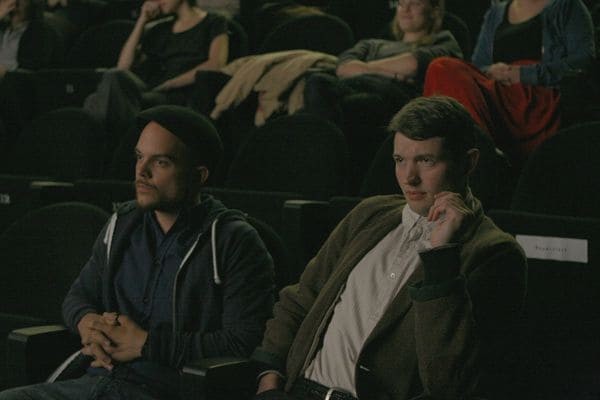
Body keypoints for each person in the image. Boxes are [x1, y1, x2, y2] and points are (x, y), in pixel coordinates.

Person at [251, 96, 527, 400]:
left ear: (468, 162)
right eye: (399, 160)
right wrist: (269, 377)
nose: (409, 178)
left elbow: (451, 382)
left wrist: (441, 257)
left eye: (426, 160)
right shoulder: (370, 214)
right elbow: (301, 298)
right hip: (297, 390)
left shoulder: (494, 252)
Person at [0, 105, 274, 400]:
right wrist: (88, 324)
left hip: (167, 391)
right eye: (140, 157)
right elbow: (78, 297)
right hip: (97, 380)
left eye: (161, 162)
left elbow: (242, 343)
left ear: (199, 175)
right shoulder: (122, 223)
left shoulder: (234, 241)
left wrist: (146, 344)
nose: (141, 172)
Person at [423, 0, 595, 168]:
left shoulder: (567, 6)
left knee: (442, 68)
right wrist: (491, 70)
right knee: (441, 70)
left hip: (534, 95)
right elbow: (478, 65)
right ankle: (475, 152)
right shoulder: (496, 12)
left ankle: (479, 156)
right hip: (496, 92)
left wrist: (522, 73)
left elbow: (582, 62)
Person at [302, 0, 463, 125]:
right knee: (317, 81)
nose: (405, 9)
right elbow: (343, 67)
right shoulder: (371, 44)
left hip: (397, 95)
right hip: (353, 86)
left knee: (359, 103)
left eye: (415, 3)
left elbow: (414, 64)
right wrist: (389, 73)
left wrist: (363, 67)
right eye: (401, 3)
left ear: (434, 11)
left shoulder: (443, 40)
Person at [84, 0, 229, 134]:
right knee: (111, 80)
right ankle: (124, 141)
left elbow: (216, 64)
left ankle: (113, 142)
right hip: (151, 89)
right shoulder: (161, 28)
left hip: (180, 94)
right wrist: (142, 21)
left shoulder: (214, 22)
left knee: (98, 101)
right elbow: (123, 67)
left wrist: (171, 84)